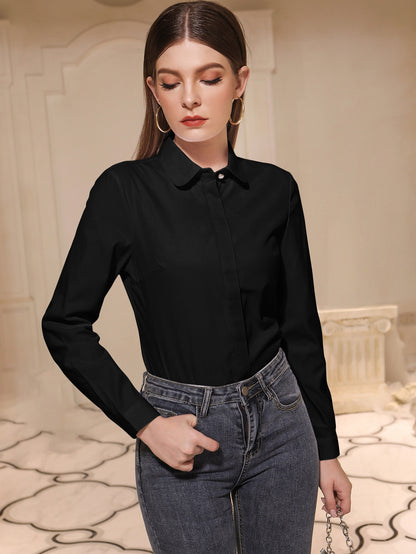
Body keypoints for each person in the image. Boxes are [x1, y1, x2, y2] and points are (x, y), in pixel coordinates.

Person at [41, 1, 352, 552]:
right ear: (154, 91)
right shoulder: (123, 192)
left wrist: (326, 449)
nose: (190, 97)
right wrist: (147, 424)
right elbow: (64, 324)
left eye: (209, 78)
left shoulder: (276, 190)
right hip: (181, 426)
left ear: (240, 83)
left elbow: (299, 328)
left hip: (283, 422)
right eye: (171, 82)